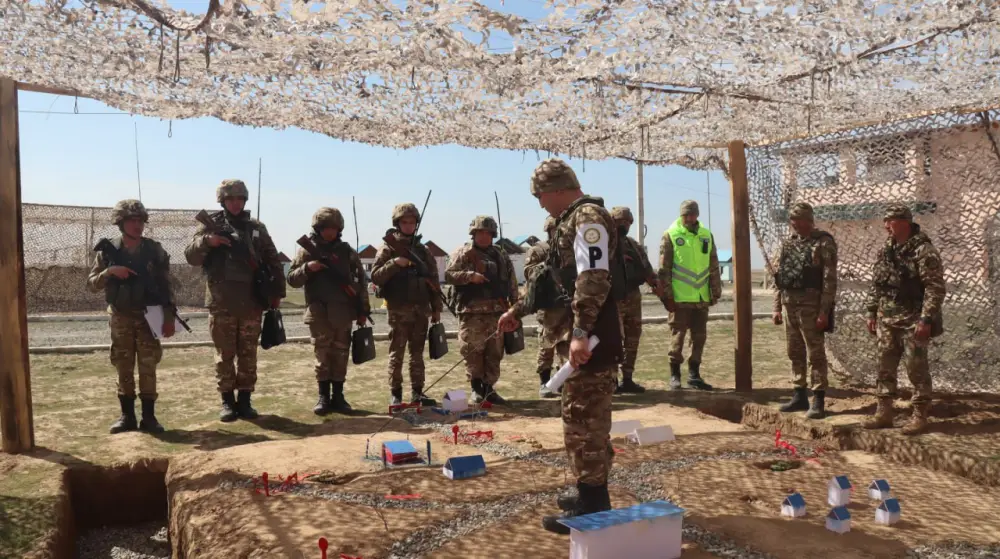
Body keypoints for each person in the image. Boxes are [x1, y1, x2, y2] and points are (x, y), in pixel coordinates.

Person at [499, 158, 623, 535]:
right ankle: (588, 491)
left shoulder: (587, 218)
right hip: (580, 333)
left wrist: (581, 332)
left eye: (539, 195)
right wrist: (517, 310)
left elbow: (593, 277)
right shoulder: (569, 221)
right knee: (579, 417)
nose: (539, 203)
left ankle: (593, 506)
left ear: (556, 189)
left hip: (592, 336)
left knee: (587, 421)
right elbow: (552, 282)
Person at [184, 179, 286, 422]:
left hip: (252, 302)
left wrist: (276, 294)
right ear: (222, 200)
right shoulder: (210, 226)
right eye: (230, 199)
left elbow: (273, 260)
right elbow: (191, 257)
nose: (236, 203)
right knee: (225, 355)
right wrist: (207, 242)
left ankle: (245, 400)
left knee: (248, 354)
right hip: (222, 303)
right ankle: (227, 402)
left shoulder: (256, 228)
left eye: (240, 198)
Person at [86, 199, 174, 434]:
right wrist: (109, 272)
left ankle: (149, 417)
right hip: (120, 317)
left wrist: (168, 317)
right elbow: (92, 284)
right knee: (123, 365)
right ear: (120, 223)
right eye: (131, 220)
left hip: (148, 316)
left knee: (148, 366)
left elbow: (166, 285)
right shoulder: (108, 251)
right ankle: (127, 416)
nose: (137, 225)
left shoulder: (154, 250)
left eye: (140, 220)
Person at [863, 204, 945, 435]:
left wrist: (926, 319)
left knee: (916, 369)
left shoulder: (923, 251)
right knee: (884, 368)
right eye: (885, 220)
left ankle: (920, 415)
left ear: (904, 223)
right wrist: (871, 311)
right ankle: (884, 412)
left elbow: (935, 288)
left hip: (912, 321)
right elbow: (877, 284)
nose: (885, 225)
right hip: (887, 320)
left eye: (890, 221)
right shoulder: (886, 250)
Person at [286, 208, 371, 415]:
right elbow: (292, 279)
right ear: (318, 228)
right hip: (319, 313)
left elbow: (361, 281)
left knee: (341, 354)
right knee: (322, 356)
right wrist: (308, 268)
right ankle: (323, 396)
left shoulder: (347, 251)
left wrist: (363, 310)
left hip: (343, 312)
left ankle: (338, 396)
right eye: (325, 228)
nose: (330, 232)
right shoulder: (307, 250)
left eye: (333, 228)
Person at [370, 203, 442, 406]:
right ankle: (396, 393)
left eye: (412, 222)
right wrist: (395, 263)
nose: (409, 226)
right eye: (405, 222)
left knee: (417, 354)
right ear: (397, 223)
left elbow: (433, 281)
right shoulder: (388, 248)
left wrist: (436, 308)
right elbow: (375, 276)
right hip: (398, 309)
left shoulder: (423, 250)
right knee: (397, 353)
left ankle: (418, 392)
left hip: (421, 309)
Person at [771, 202, 838, 419]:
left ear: (808, 220)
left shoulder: (823, 243)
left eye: (798, 219)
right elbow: (780, 278)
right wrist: (776, 307)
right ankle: (799, 394)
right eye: (792, 219)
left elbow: (829, 281)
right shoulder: (788, 244)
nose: (794, 223)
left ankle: (818, 399)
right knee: (794, 351)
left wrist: (824, 312)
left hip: (811, 306)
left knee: (815, 354)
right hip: (789, 304)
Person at [445, 215, 519, 404]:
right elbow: (449, 275)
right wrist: (470, 276)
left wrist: (515, 309)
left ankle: (489, 388)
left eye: (488, 233)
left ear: (493, 234)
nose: (484, 236)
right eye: (480, 232)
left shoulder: (501, 255)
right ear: (473, 233)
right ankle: (476, 388)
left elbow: (511, 282)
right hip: (471, 313)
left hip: (497, 312)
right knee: (472, 351)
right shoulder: (463, 252)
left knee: (495, 352)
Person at [657, 200, 721, 390]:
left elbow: (713, 264)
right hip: (679, 298)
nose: (690, 218)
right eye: (686, 215)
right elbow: (664, 269)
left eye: (692, 214)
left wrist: (715, 291)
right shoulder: (671, 234)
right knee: (677, 337)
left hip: (701, 297)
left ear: (697, 215)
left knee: (699, 337)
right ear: (681, 215)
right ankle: (675, 375)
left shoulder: (706, 235)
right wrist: (667, 296)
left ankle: (694, 374)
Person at [610, 206, 661, 394]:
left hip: (632, 296)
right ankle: (612, 380)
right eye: (620, 221)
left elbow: (646, 268)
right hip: (612, 298)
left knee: (633, 338)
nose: (624, 225)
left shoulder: (633, 245)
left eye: (628, 222)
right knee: (614, 339)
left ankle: (627, 378)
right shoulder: (604, 244)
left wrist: (656, 283)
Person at [527, 216, 569, 398]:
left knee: (566, 347)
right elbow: (529, 273)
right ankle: (544, 382)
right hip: (548, 308)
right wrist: (545, 266)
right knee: (546, 346)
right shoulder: (539, 250)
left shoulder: (570, 249)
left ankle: (561, 382)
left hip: (567, 306)